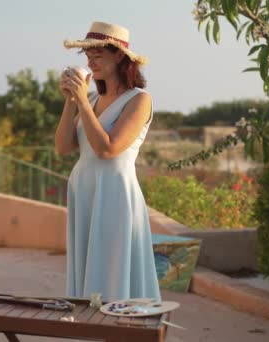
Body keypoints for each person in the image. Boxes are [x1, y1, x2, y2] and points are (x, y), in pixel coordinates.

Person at [54, 21, 161, 302]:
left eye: (98, 54)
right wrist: (71, 102)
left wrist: (84, 104)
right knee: (90, 268)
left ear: (119, 56)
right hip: (85, 191)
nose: (91, 62)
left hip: (114, 192)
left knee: (113, 270)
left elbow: (108, 149)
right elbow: (63, 147)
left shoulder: (140, 100)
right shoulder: (91, 99)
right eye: (88, 56)